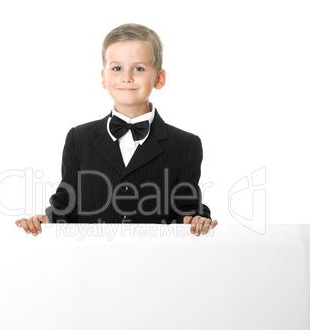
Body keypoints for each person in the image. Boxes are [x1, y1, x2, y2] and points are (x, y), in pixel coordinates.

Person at [15, 23, 218, 236]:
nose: (126, 77)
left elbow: (187, 206)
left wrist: (196, 218)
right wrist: (46, 221)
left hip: (156, 262)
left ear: (159, 78)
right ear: (104, 77)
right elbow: (66, 204)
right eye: (117, 68)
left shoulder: (185, 145)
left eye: (138, 68)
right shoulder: (79, 138)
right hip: (92, 262)